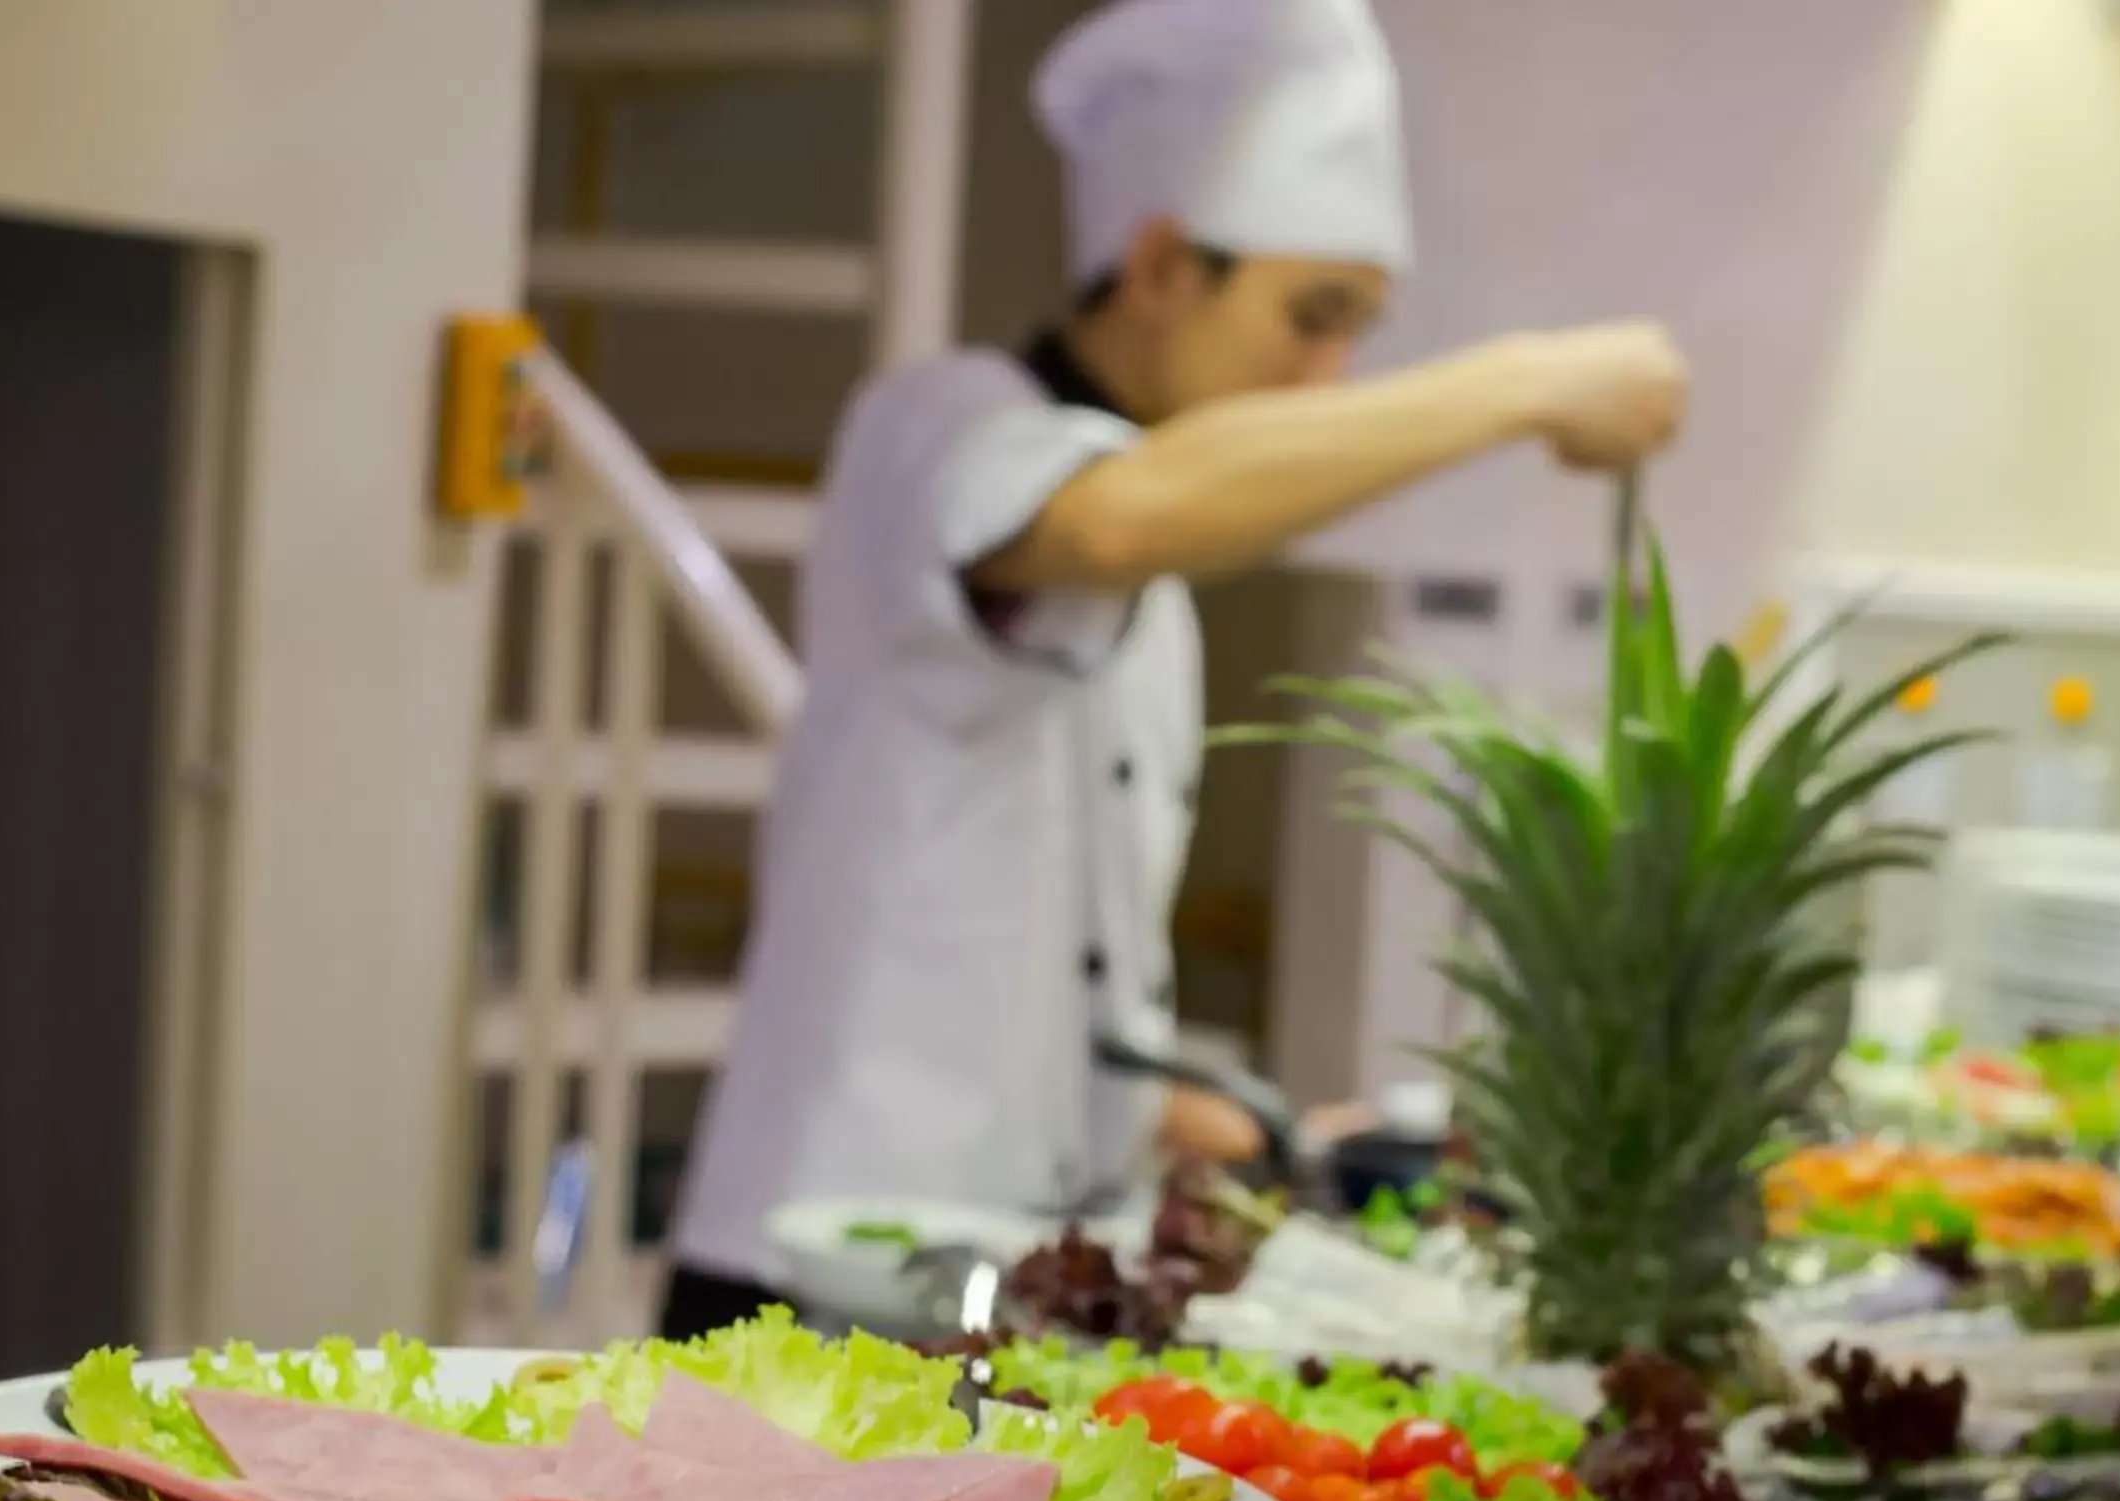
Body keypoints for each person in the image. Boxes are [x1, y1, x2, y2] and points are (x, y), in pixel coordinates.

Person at [661, 0, 1687, 1339]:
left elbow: (1044, 950)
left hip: (1024, 1273)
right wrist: (1527, 382)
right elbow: (1111, 515)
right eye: (1311, 317)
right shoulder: (941, 423)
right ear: (1156, 266)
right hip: (819, 1270)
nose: (1328, 379)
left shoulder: (1157, 585)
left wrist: (1203, 1115)